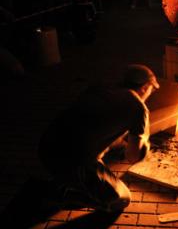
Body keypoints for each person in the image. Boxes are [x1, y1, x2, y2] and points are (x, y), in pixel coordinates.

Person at [38, 64, 159, 212]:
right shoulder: (137, 107)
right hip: (72, 162)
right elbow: (133, 157)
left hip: (46, 147)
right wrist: (145, 141)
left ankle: (67, 179)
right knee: (121, 199)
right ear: (145, 87)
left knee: (117, 145)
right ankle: (66, 193)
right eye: (152, 90)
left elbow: (94, 123)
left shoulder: (99, 88)